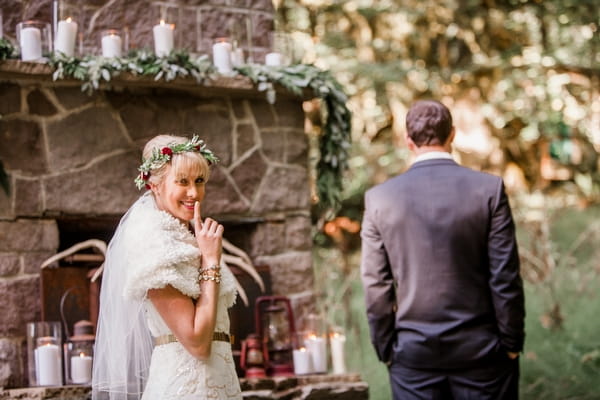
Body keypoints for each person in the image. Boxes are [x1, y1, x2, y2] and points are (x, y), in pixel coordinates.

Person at [360, 100, 525, 399]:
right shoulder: (489, 190)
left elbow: (375, 284)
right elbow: (504, 276)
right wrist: (512, 343)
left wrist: (386, 349)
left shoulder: (379, 199)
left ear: (408, 141)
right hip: (483, 353)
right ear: (452, 135)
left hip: (413, 356)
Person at [92, 135, 242, 400]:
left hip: (219, 384)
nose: (194, 193)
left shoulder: (191, 238)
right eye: (182, 181)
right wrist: (210, 261)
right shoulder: (154, 245)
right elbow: (196, 342)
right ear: (154, 184)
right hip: (186, 390)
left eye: (200, 181)